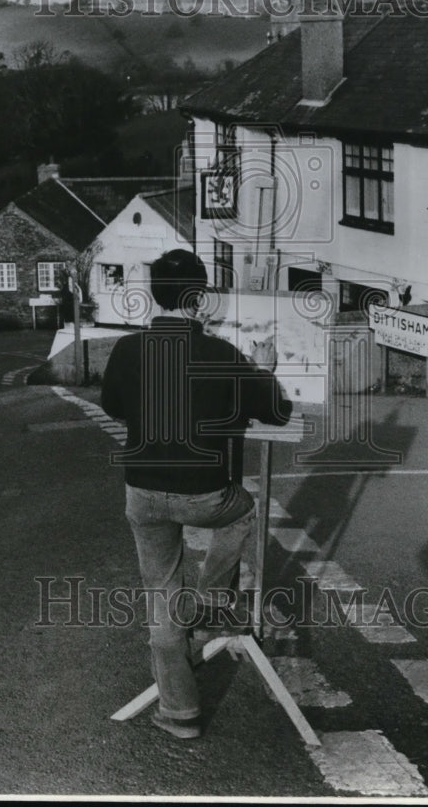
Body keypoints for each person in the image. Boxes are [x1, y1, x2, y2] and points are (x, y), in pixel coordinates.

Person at [101, 249, 291, 739]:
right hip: (206, 494)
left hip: (142, 492)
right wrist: (263, 370)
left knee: (160, 596)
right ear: (200, 299)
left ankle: (180, 713)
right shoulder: (223, 355)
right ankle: (208, 604)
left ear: (155, 297)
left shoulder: (125, 350)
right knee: (242, 513)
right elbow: (278, 413)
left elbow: (115, 406)